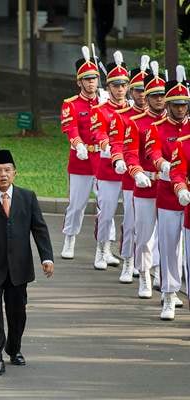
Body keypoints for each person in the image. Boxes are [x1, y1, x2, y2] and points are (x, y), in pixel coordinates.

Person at [0, 149, 54, 376]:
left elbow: (39, 229)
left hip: (19, 267)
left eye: (7, 170)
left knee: (17, 314)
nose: (2, 174)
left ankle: (14, 348)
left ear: (15, 173)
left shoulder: (27, 197)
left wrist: (46, 257)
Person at [144, 68, 189, 320]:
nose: (181, 109)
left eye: (184, 105)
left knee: (186, 247)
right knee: (169, 243)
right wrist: (163, 165)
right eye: (176, 105)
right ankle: (170, 294)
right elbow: (153, 152)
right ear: (169, 105)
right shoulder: (156, 127)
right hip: (168, 193)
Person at [123, 65, 167, 299]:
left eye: (162, 95)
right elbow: (130, 152)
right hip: (146, 185)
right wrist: (137, 171)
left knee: (168, 237)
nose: (159, 100)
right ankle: (145, 274)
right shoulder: (136, 122)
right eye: (154, 96)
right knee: (145, 235)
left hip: (169, 187)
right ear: (147, 98)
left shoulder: (176, 123)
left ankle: (162, 276)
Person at [108, 57, 150, 282]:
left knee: (149, 229)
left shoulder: (158, 118)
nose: (142, 95)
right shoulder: (122, 116)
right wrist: (118, 159)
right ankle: (127, 261)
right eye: (137, 90)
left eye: (145, 91)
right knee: (131, 221)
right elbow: (115, 141)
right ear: (131, 91)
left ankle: (148, 267)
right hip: (131, 176)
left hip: (155, 178)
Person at [60, 47, 100, 259]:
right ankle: (69, 238)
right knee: (77, 204)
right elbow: (70, 128)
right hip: (81, 160)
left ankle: (104, 246)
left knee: (106, 205)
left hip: (102, 160)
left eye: (94, 78)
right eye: (87, 79)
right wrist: (78, 144)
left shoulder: (104, 102)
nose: (91, 82)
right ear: (79, 82)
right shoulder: (71, 104)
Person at [90, 52, 129, 270]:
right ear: (109, 86)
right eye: (115, 85)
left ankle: (128, 254)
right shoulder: (100, 110)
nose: (120, 89)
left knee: (132, 216)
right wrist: (110, 150)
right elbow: (99, 134)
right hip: (108, 167)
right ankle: (101, 249)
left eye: (123, 85)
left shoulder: (133, 110)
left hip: (131, 169)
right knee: (106, 213)